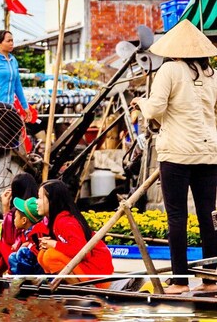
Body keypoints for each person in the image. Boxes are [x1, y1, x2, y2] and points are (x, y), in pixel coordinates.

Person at [131, 19, 217, 295]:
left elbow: (155, 109)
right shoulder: (211, 73)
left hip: (178, 154)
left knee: (177, 216)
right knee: (207, 216)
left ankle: (179, 281)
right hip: (208, 152)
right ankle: (211, 277)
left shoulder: (169, 70)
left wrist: (139, 103)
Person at [36, 179, 113, 286]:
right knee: (42, 255)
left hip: (98, 277)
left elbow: (83, 252)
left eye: (39, 198)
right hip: (89, 271)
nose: (36, 202)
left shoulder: (67, 222)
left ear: (52, 200)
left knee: (50, 256)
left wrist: (55, 244)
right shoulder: (57, 221)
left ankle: (83, 289)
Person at [0, 172, 39, 275]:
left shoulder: (21, 212)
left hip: (24, 263)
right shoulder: (35, 207)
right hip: (30, 259)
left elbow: (7, 238)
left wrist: (6, 208)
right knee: (4, 246)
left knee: (1, 244)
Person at [6, 197, 48, 275]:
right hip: (30, 264)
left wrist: (29, 246)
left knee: (23, 252)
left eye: (16, 217)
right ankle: (17, 277)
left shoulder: (38, 231)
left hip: (40, 267)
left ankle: (26, 280)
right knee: (12, 257)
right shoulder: (25, 233)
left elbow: (40, 251)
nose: (14, 220)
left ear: (24, 220)